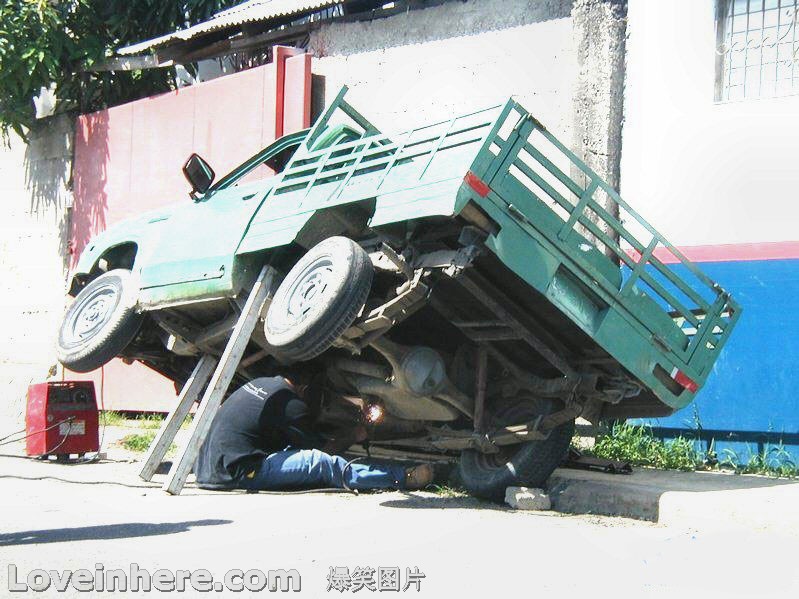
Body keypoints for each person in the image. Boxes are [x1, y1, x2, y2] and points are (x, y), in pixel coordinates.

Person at [194, 376, 434, 492]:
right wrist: (353, 435)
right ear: (304, 390)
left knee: (293, 451)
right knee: (320, 463)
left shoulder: (264, 383)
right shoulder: (291, 404)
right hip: (239, 472)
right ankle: (402, 477)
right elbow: (323, 451)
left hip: (209, 468)